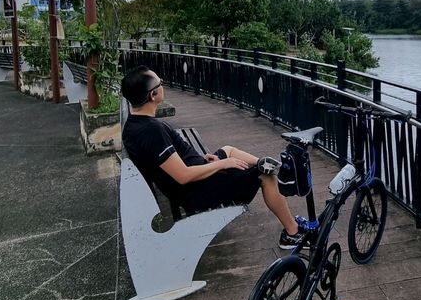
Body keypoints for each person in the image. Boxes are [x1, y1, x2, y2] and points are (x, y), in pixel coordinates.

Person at [120, 65, 304, 249]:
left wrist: (212, 161)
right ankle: (291, 232)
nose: (163, 85)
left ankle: (266, 164)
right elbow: (182, 176)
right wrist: (222, 164)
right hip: (196, 191)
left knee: (228, 149)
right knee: (264, 176)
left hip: (194, 180)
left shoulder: (134, 125)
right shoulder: (151, 131)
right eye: (160, 83)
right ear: (153, 95)